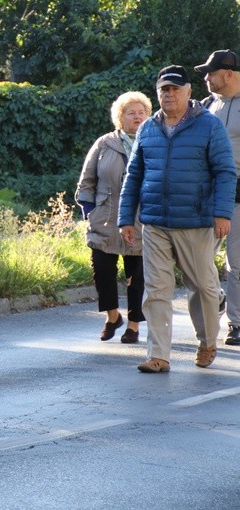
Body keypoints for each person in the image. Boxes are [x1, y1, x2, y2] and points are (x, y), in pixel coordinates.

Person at [118, 65, 236, 373]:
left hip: (196, 222)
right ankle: (159, 354)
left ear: (188, 92)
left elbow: (225, 171)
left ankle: (208, 340)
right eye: (163, 90)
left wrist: (222, 213)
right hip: (155, 222)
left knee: (203, 287)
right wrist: (126, 218)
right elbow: (134, 175)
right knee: (156, 289)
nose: (169, 95)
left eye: (175, 89)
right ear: (157, 93)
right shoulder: (148, 127)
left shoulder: (208, 125)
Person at [75, 92, 151, 344]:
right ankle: (112, 316)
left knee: (136, 277)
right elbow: (87, 180)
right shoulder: (104, 143)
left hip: (141, 219)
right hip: (105, 219)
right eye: (131, 112)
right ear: (120, 117)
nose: (137, 116)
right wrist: (89, 210)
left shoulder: (153, 141)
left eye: (142, 112)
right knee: (102, 270)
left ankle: (133, 326)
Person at [195, 50, 240, 346]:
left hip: (238, 195)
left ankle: (236, 324)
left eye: (211, 72)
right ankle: (218, 295)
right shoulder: (204, 106)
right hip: (205, 195)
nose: (206, 78)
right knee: (197, 262)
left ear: (229, 74)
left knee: (236, 263)